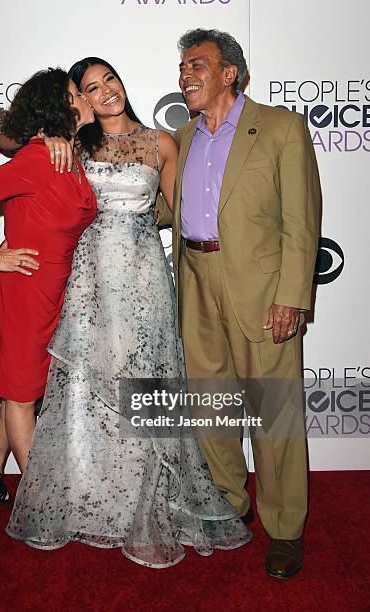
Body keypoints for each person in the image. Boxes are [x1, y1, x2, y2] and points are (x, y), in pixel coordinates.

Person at [1, 57, 252, 567]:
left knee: (144, 380)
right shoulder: (73, 144)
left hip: (143, 280)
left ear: (121, 82)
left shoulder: (162, 143)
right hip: (86, 280)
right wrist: (47, 138)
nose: (105, 92)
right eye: (91, 88)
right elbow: (10, 146)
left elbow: (185, 213)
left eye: (109, 79)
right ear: (80, 100)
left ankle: (146, 497)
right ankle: (91, 496)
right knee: (84, 387)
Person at [156, 29, 321, 578]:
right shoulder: (180, 136)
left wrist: (293, 296)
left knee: (273, 413)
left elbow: (301, 222)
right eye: (182, 66)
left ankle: (285, 528)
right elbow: (161, 209)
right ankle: (229, 505)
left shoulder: (280, 127)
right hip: (196, 280)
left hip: (260, 288)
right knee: (211, 405)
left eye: (197, 64)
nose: (185, 74)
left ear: (229, 73)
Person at [0, 68, 96, 503]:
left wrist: (59, 138)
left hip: (51, 290)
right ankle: (43, 503)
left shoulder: (65, 155)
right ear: (63, 107)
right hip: (23, 288)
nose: (87, 97)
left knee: (27, 387)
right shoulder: (39, 158)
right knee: (20, 396)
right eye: (78, 92)